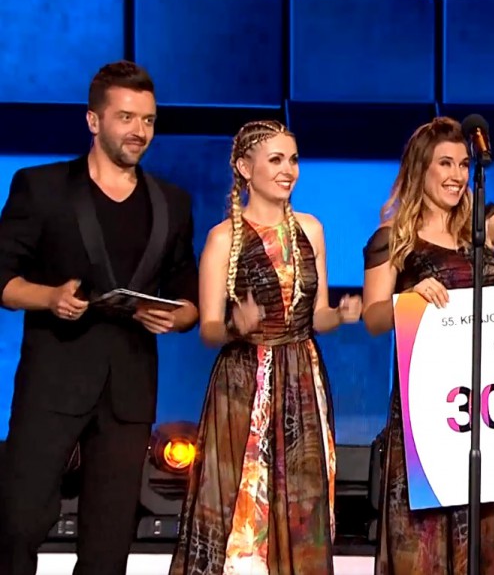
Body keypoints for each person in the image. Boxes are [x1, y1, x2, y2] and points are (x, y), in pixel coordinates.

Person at [0, 60, 199, 574]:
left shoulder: (172, 202)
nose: (139, 131)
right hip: (53, 384)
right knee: (19, 524)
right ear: (93, 120)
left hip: (129, 390)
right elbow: (2, 279)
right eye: (126, 118)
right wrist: (49, 297)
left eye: (148, 120)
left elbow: (187, 295)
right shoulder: (40, 187)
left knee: (109, 544)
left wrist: (175, 317)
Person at [362, 92, 494, 575]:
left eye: (463, 163)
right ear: (420, 170)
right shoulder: (393, 239)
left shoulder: (481, 225)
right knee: (428, 538)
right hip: (429, 401)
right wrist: (409, 299)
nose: (457, 174)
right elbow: (373, 318)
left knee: (491, 533)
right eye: (445, 163)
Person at [170, 120, 362, 574]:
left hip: (301, 378)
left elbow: (317, 316)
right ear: (244, 167)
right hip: (244, 384)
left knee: (301, 504)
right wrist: (235, 326)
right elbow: (208, 329)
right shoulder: (223, 239)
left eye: (293, 160)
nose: (288, 170)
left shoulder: (311, 230)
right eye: (276, 160)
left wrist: (340, 315)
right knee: (245, 498)